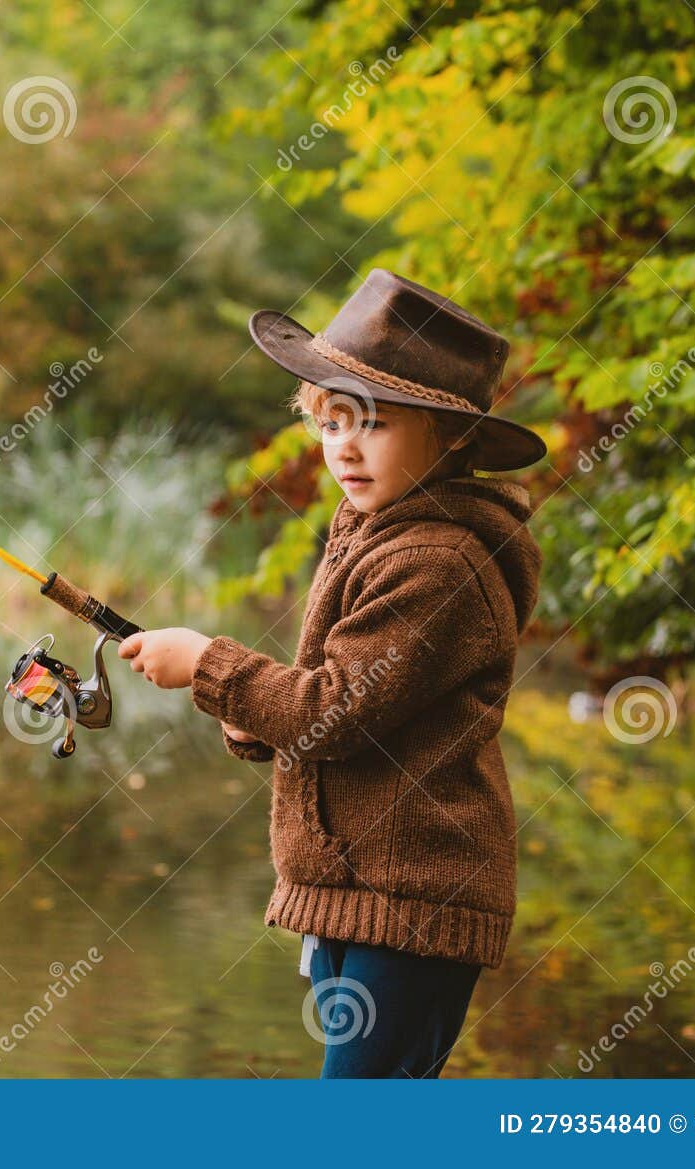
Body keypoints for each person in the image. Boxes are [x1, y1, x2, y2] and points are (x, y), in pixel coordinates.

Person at [118, 268, 547, 1078]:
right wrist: (257, 715)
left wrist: (209, 664)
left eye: (375, 425)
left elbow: (342, 705)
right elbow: (350, 696)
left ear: (450, 438)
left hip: (415, 899)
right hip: (361, 893)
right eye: (331, 421)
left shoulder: (442, 558)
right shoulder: (379, 528)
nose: (345, 445)